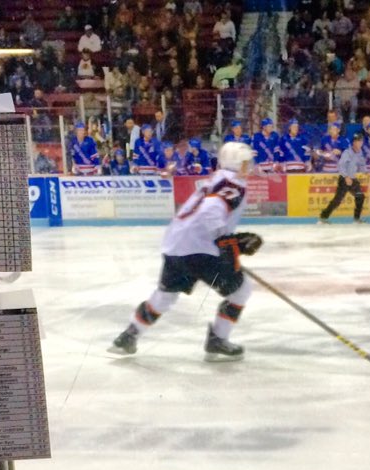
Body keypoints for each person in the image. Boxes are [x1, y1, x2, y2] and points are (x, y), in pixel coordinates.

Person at [108, 141, 263, 362]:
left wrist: (229, 240)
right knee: (241, 290)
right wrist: (227, 241)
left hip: (176, 244)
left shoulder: (217, 178)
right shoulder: (233, 183)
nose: (250, 166)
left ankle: (128, 336)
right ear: (237, 163)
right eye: (247, 162)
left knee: (165, 295)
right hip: (201, 249)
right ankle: (217, 339)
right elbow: (211, 211)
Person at [318, 133, 367, 224]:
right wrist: (346, 177)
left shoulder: (360, 153)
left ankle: (357, 218)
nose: (359, 143)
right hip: (344, 179)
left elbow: (361, 163)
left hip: (352, 179)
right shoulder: (347, 153)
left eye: (360, 141)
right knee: (337, 200)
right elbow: (341, 166)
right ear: (353, 143)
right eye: (357, 141)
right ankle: (323, 217)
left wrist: (365, 171)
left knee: (360, 196)